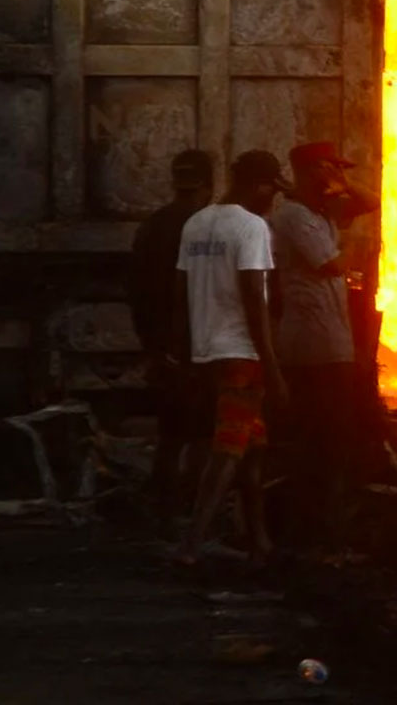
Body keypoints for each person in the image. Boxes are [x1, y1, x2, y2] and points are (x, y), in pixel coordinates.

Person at [173, 150, 292, 568]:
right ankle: (192, 542)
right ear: (257, 185)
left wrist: (188, 353)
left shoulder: (197, 223)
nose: (273, 200)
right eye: (271, 190)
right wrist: (273, 369)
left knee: (252, 451)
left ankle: (259, 541)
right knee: (228, 450)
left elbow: (181, 293)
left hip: (208, 352)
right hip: (242, 356)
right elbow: (253, 300)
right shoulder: (251, 227)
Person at [271, 141, 378, 554]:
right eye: (332, 167)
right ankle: (309, 535)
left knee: (335, 443)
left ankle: (325, 532)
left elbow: (368, 201)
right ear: (314, 170)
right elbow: (331, 264)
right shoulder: (294, 215)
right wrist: (360, 253)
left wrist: (343, 184)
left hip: (334, 343)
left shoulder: (321, 212)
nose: (338, 174)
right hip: (311, 346)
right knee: (319, 443)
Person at [129, 150, 216, 530]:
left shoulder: (152, 225)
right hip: (199, 344)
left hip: (165, 344)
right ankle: (192, 508)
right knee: (201, 433)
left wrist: (151, 345)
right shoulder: (206, 228)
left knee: (171, 432)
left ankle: (162, 506)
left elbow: (136, 289)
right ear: (208, 185)